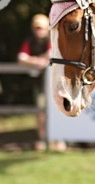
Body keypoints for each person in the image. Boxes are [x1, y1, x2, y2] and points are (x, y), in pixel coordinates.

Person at [18, 14, 64, 150]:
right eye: (37, 28)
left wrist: (34, 60)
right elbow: (21, 58)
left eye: (42, 28)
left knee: (57, 111)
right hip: (39, 84)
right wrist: (39, 61)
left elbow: (51, 55)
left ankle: (58, 139)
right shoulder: (29, 41)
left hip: (56, 84)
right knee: (40, 112)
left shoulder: (53, 39)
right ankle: (42, 139)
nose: (40, 31)